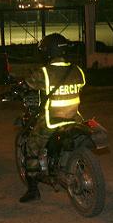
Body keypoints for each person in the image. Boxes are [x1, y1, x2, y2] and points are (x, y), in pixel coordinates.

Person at [19, 33, 86, 203]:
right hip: (74, 118)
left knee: (31, 146)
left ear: (48, 52)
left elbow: (27, 85)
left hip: (52, 121)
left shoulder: (44, 73)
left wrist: (16, 88)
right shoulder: (77, 70)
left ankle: (33, 190)